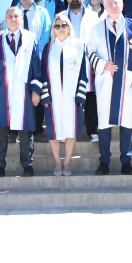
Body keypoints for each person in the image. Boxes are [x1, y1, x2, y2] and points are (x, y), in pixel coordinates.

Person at [85, 0, 132, 175]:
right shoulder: (97, 28)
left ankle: (126, 160)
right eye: (109, 3)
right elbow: (90, 52)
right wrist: (102, 64)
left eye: (115, 2)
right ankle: (104, 161)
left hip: (127, 82)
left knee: (126, 122)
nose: (112, 5)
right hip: (106, 82)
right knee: (104, 123)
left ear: (122, 4)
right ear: (105, 6)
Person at [0, 5, 40, 177]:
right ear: (5, 20)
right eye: (10, 16)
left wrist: (36, 90)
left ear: (21, 19)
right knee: (1, 129)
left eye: (16, 16)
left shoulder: (30, 38)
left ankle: (27, 165)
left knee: (26, 129)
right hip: (2, 91)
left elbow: (36, 65)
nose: (13, 19)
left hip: (24, 91)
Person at [40, 13, 89, 176]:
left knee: (71, 129)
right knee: (53, 130)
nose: (61, 29)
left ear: (69, 27)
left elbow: (84, 72)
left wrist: (80, 97)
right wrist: (45, 96)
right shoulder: (48, 48)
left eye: (64, 25)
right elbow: (43, 73)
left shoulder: (79, 46)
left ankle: (67, 162)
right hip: (53, 97)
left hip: (72, 97)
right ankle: (57, 162)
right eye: (57, 26)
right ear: (53, 29)